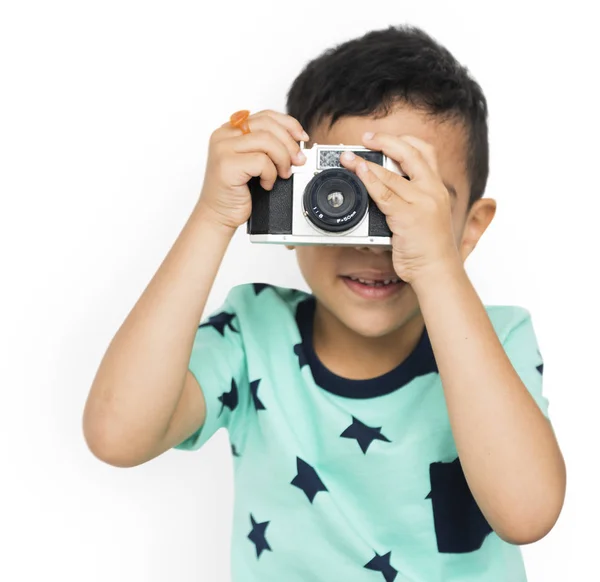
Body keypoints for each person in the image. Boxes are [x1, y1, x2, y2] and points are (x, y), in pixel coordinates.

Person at [82, 24, 566, 582]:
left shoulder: (496, 341)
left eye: (406, 197)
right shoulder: (252, 335)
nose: (369, 238)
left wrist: (436, 266)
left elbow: (527, 512)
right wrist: (214, 217)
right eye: (341, 193)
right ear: (286, 201)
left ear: (467, 229)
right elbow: (117, 435)